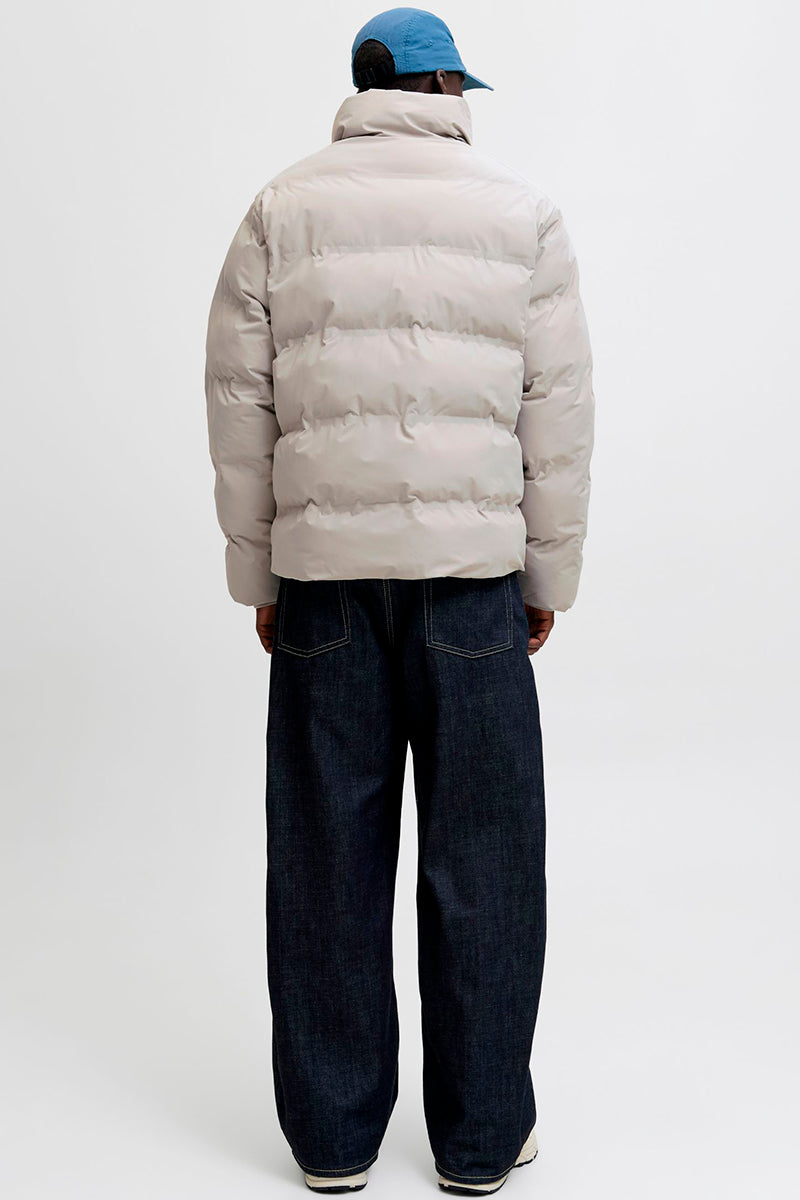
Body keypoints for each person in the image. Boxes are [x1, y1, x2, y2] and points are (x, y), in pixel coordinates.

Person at [204, 7, 594, 1194]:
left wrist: (258, 574)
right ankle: (479, 1141)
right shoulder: (519, 213)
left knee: (323, 862)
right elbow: (555, 413)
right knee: (486, 867)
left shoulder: (281, 207)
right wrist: (545, 578)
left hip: (323, 588)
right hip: (472, 588)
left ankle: (331, 1142)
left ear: (363, 86)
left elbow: (238, 403)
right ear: (441, 89)